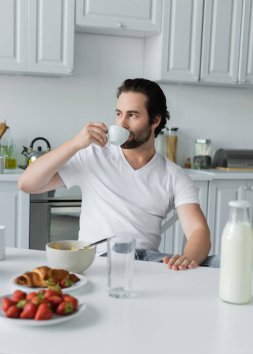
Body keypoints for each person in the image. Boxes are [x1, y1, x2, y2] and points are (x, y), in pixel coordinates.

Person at [19, 78, 211, 271]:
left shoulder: (173, 175)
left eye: (133, 115)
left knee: (216, 263)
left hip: (145, 263)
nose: (122, 123)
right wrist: (76, 143)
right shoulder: (93, 155)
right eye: (119, 114)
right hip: (96, 259)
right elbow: (27, 184)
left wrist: (188, 259)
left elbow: (198, 230)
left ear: (155, 120)